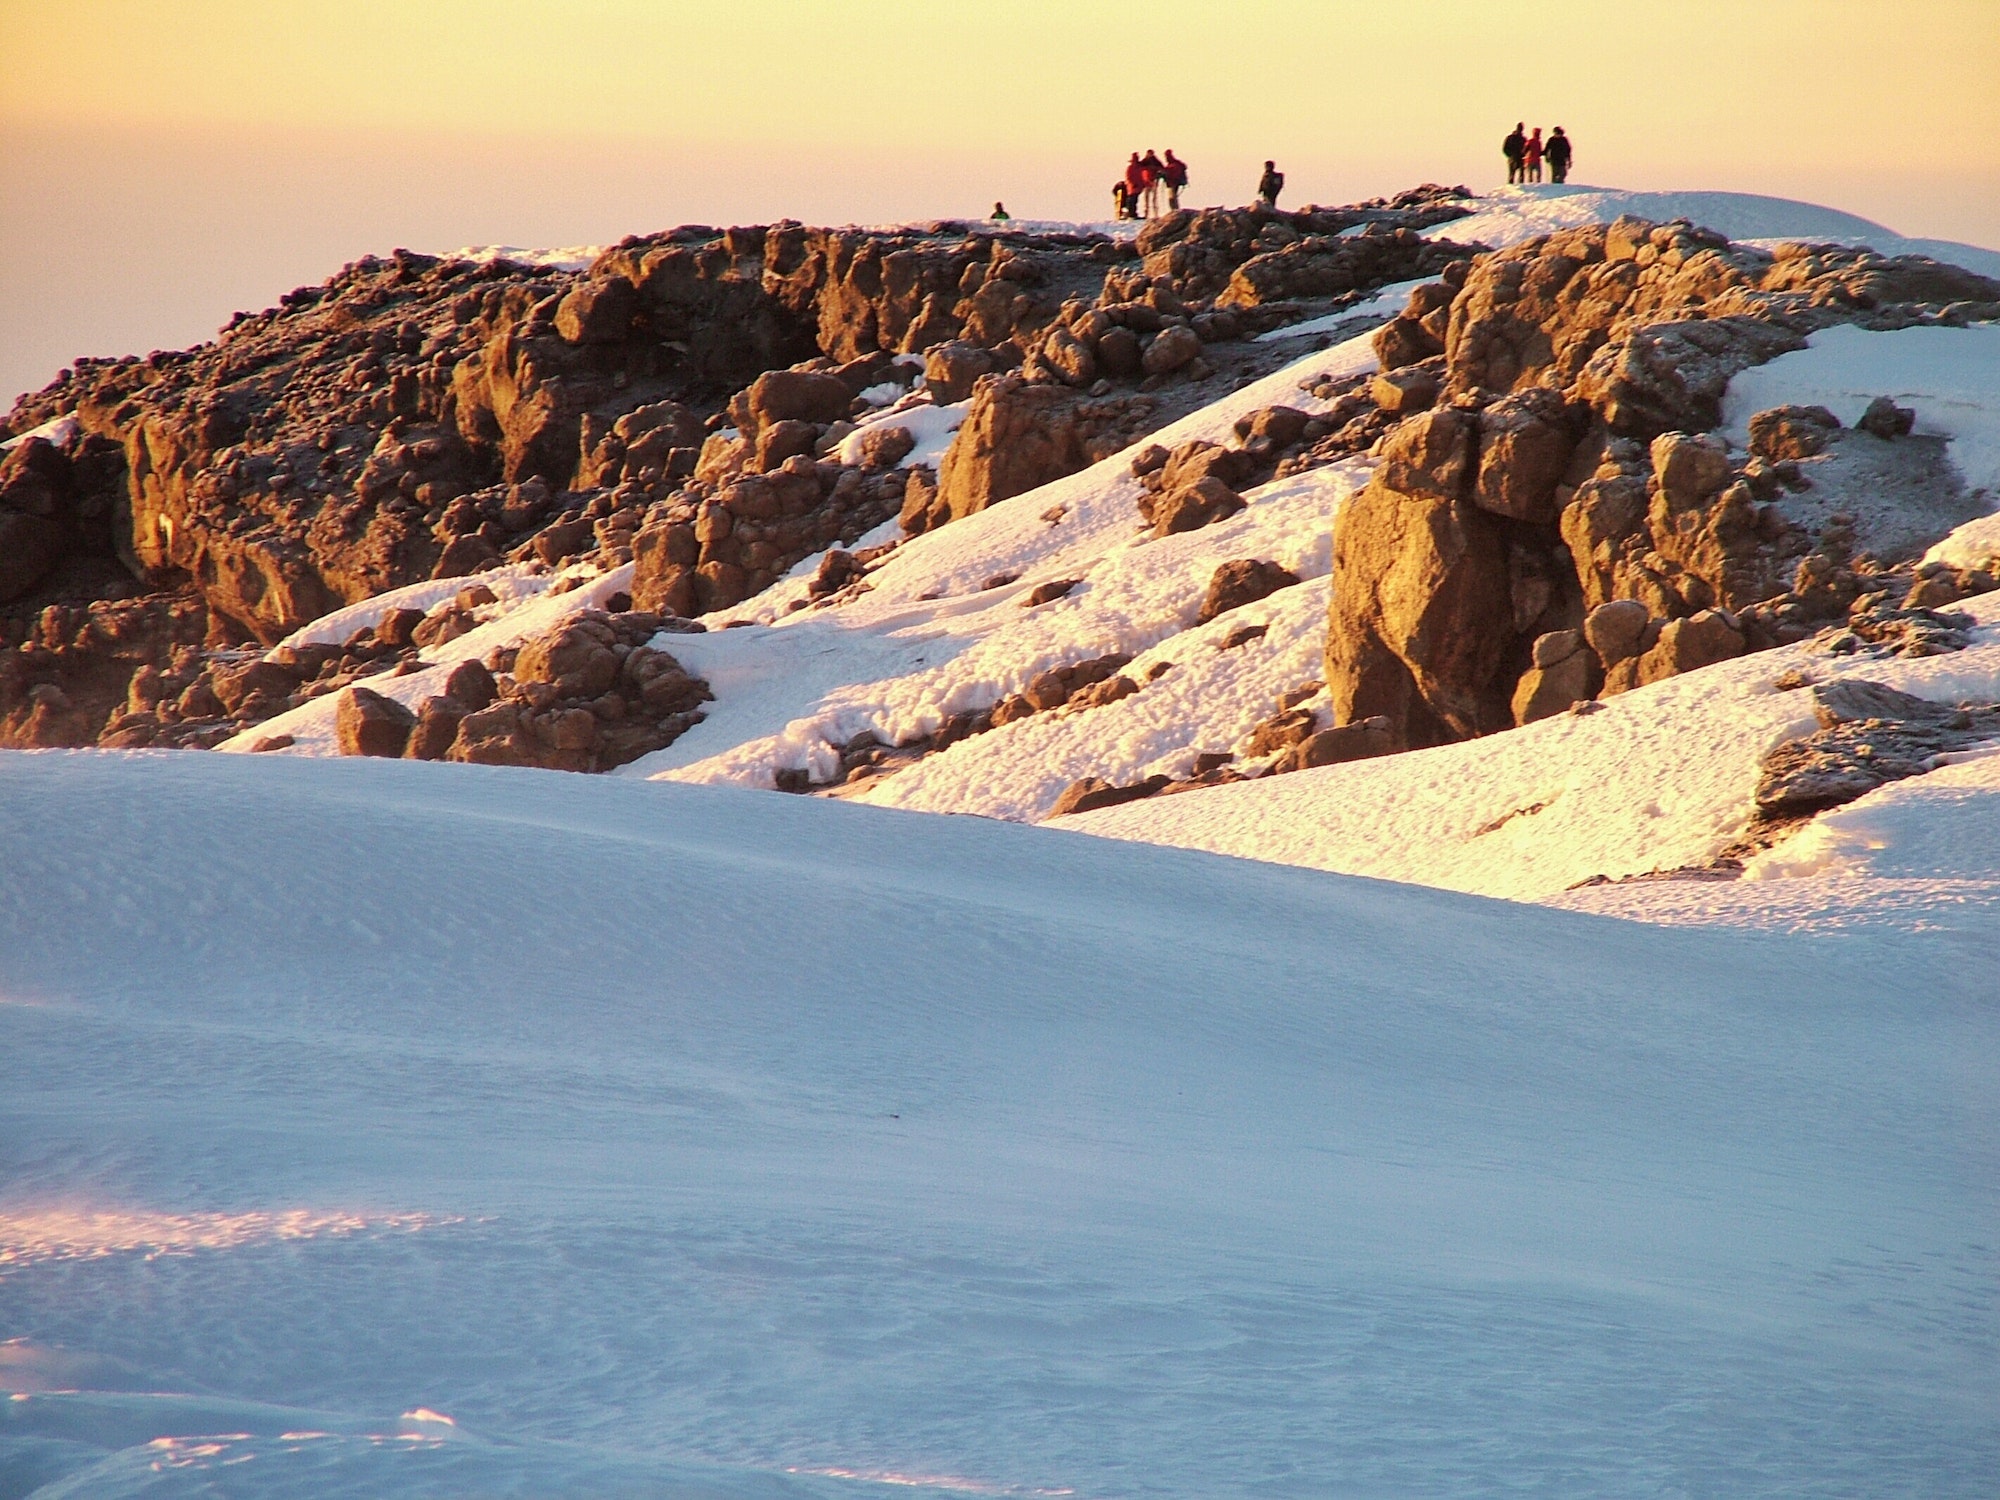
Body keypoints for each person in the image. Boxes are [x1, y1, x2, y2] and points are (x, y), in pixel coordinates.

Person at [1139, 149, 1165, 217]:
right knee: (1148, 199)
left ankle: (1154, 213)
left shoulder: (1153, 161)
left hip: (1152, 181)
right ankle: (1148, 213)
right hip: (1149, 182)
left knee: (1152, 198)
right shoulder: (1150, 161)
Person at [1123, 153, 1147, 220]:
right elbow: (1129, 177)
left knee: (1132, 201)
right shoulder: (1139, 168)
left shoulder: (1133, 168)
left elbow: (1128, 177)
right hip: (1135, 187)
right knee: (1132, 201)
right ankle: (1131, 214)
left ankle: (1132, 214)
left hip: (1134, 187)